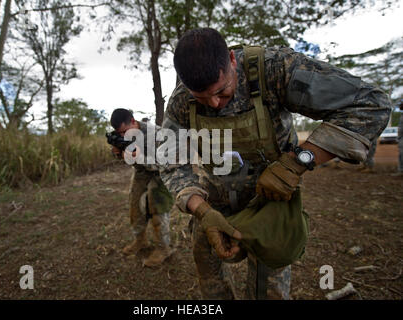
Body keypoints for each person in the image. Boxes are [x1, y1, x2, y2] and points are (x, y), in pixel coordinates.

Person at [159, 28, 391, 299]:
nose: (215, 103)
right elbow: (171, 161)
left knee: (269, 292)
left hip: (271, 200)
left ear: (232, 60)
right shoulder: (180, 102)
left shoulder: (274, 70)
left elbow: (370, 105)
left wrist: (296, 163)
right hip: (214, 203)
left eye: (222, 91)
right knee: (211, 282)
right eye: (202, 98)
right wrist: (201, 210)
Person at [110, 108, 174, 267]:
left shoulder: (157, 134)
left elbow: (164, 163)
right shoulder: (123, 134)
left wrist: (139, 157)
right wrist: (118, 153)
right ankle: (141, 240)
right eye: (120, 133)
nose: (123, 136)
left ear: (133, 121)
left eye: (125, 131)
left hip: (161, 174)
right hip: (141, 173)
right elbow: (124, 155)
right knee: (135, 207)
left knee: (157, 208)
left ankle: (163, 248)